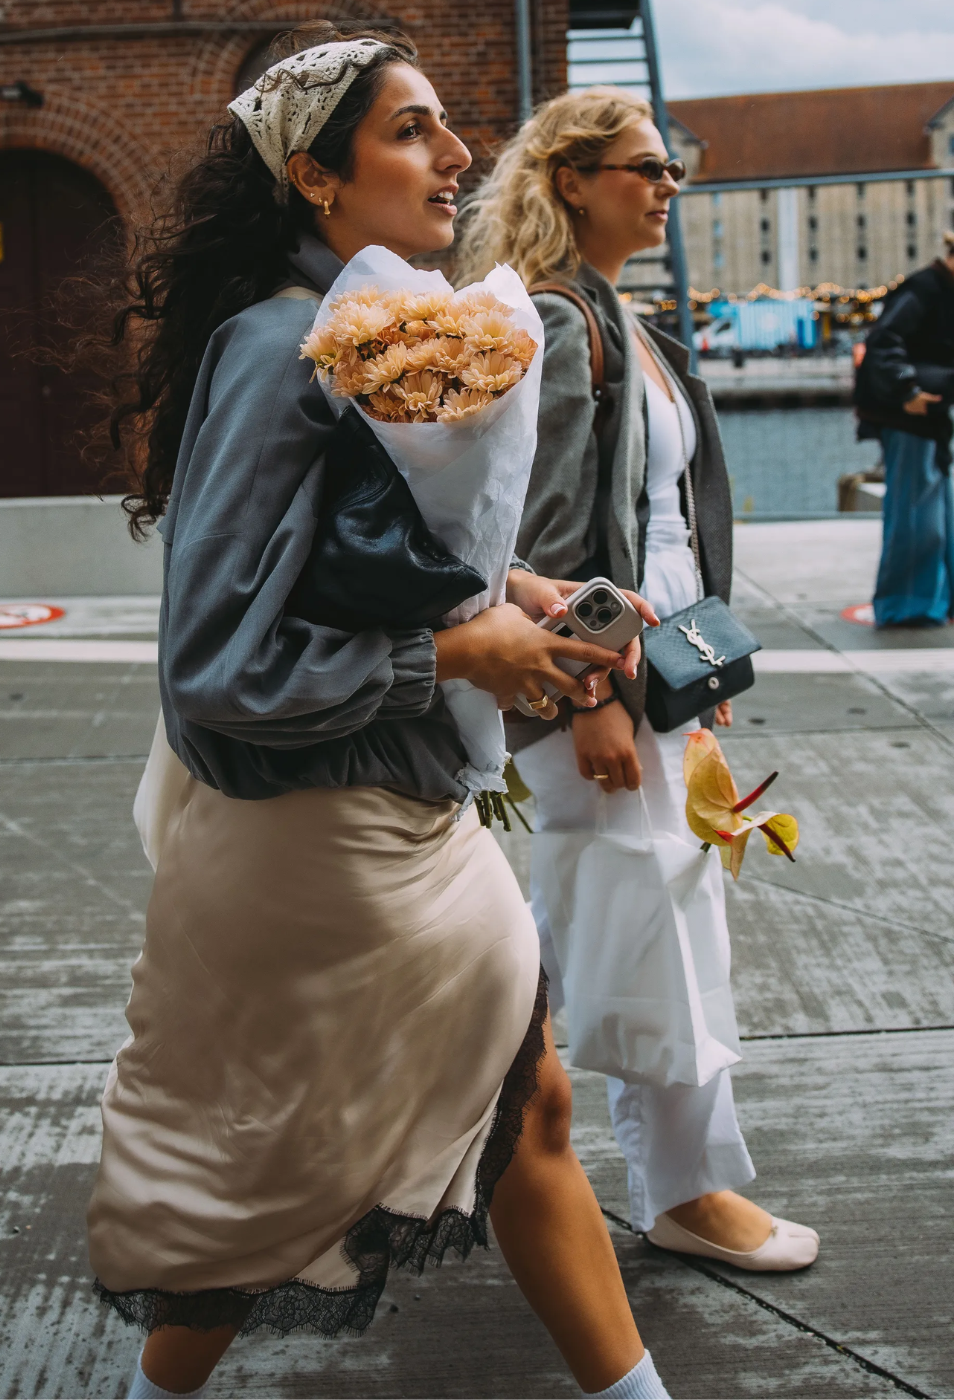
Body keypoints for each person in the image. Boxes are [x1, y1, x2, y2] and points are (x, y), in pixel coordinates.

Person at [85, 28, 672, 1400]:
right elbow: (214, 666)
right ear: (314, 177)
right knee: (295, 1163)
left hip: (401, 811)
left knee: (508, 1112)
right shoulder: (283, 345)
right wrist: (456, 655)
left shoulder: (370, 326)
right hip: (322, 836)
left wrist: (523, 586)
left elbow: (353, 555)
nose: (460, 153)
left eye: (448, 125)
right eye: (413, 130)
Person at [456, 85, 820, 1271]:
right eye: (644, 168)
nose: (668, 187)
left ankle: (465, 1139)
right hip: (598, 685)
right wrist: (601, 692)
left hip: (646, 676)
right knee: (651, 925)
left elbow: (658, 524)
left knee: (628, 920)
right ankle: (683, 1188)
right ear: (569, 179)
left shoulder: (617, 316)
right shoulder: (568, 325)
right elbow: (552, 540)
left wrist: (681, 669)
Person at [856, 231, 954, 627]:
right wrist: (907, 389)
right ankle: (907, 606)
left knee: (936, 511)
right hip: (912, 414)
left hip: (927, 414)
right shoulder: (925, 289)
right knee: (918, 514)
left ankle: (931, 600)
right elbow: (883, 343)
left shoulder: (936, 287)